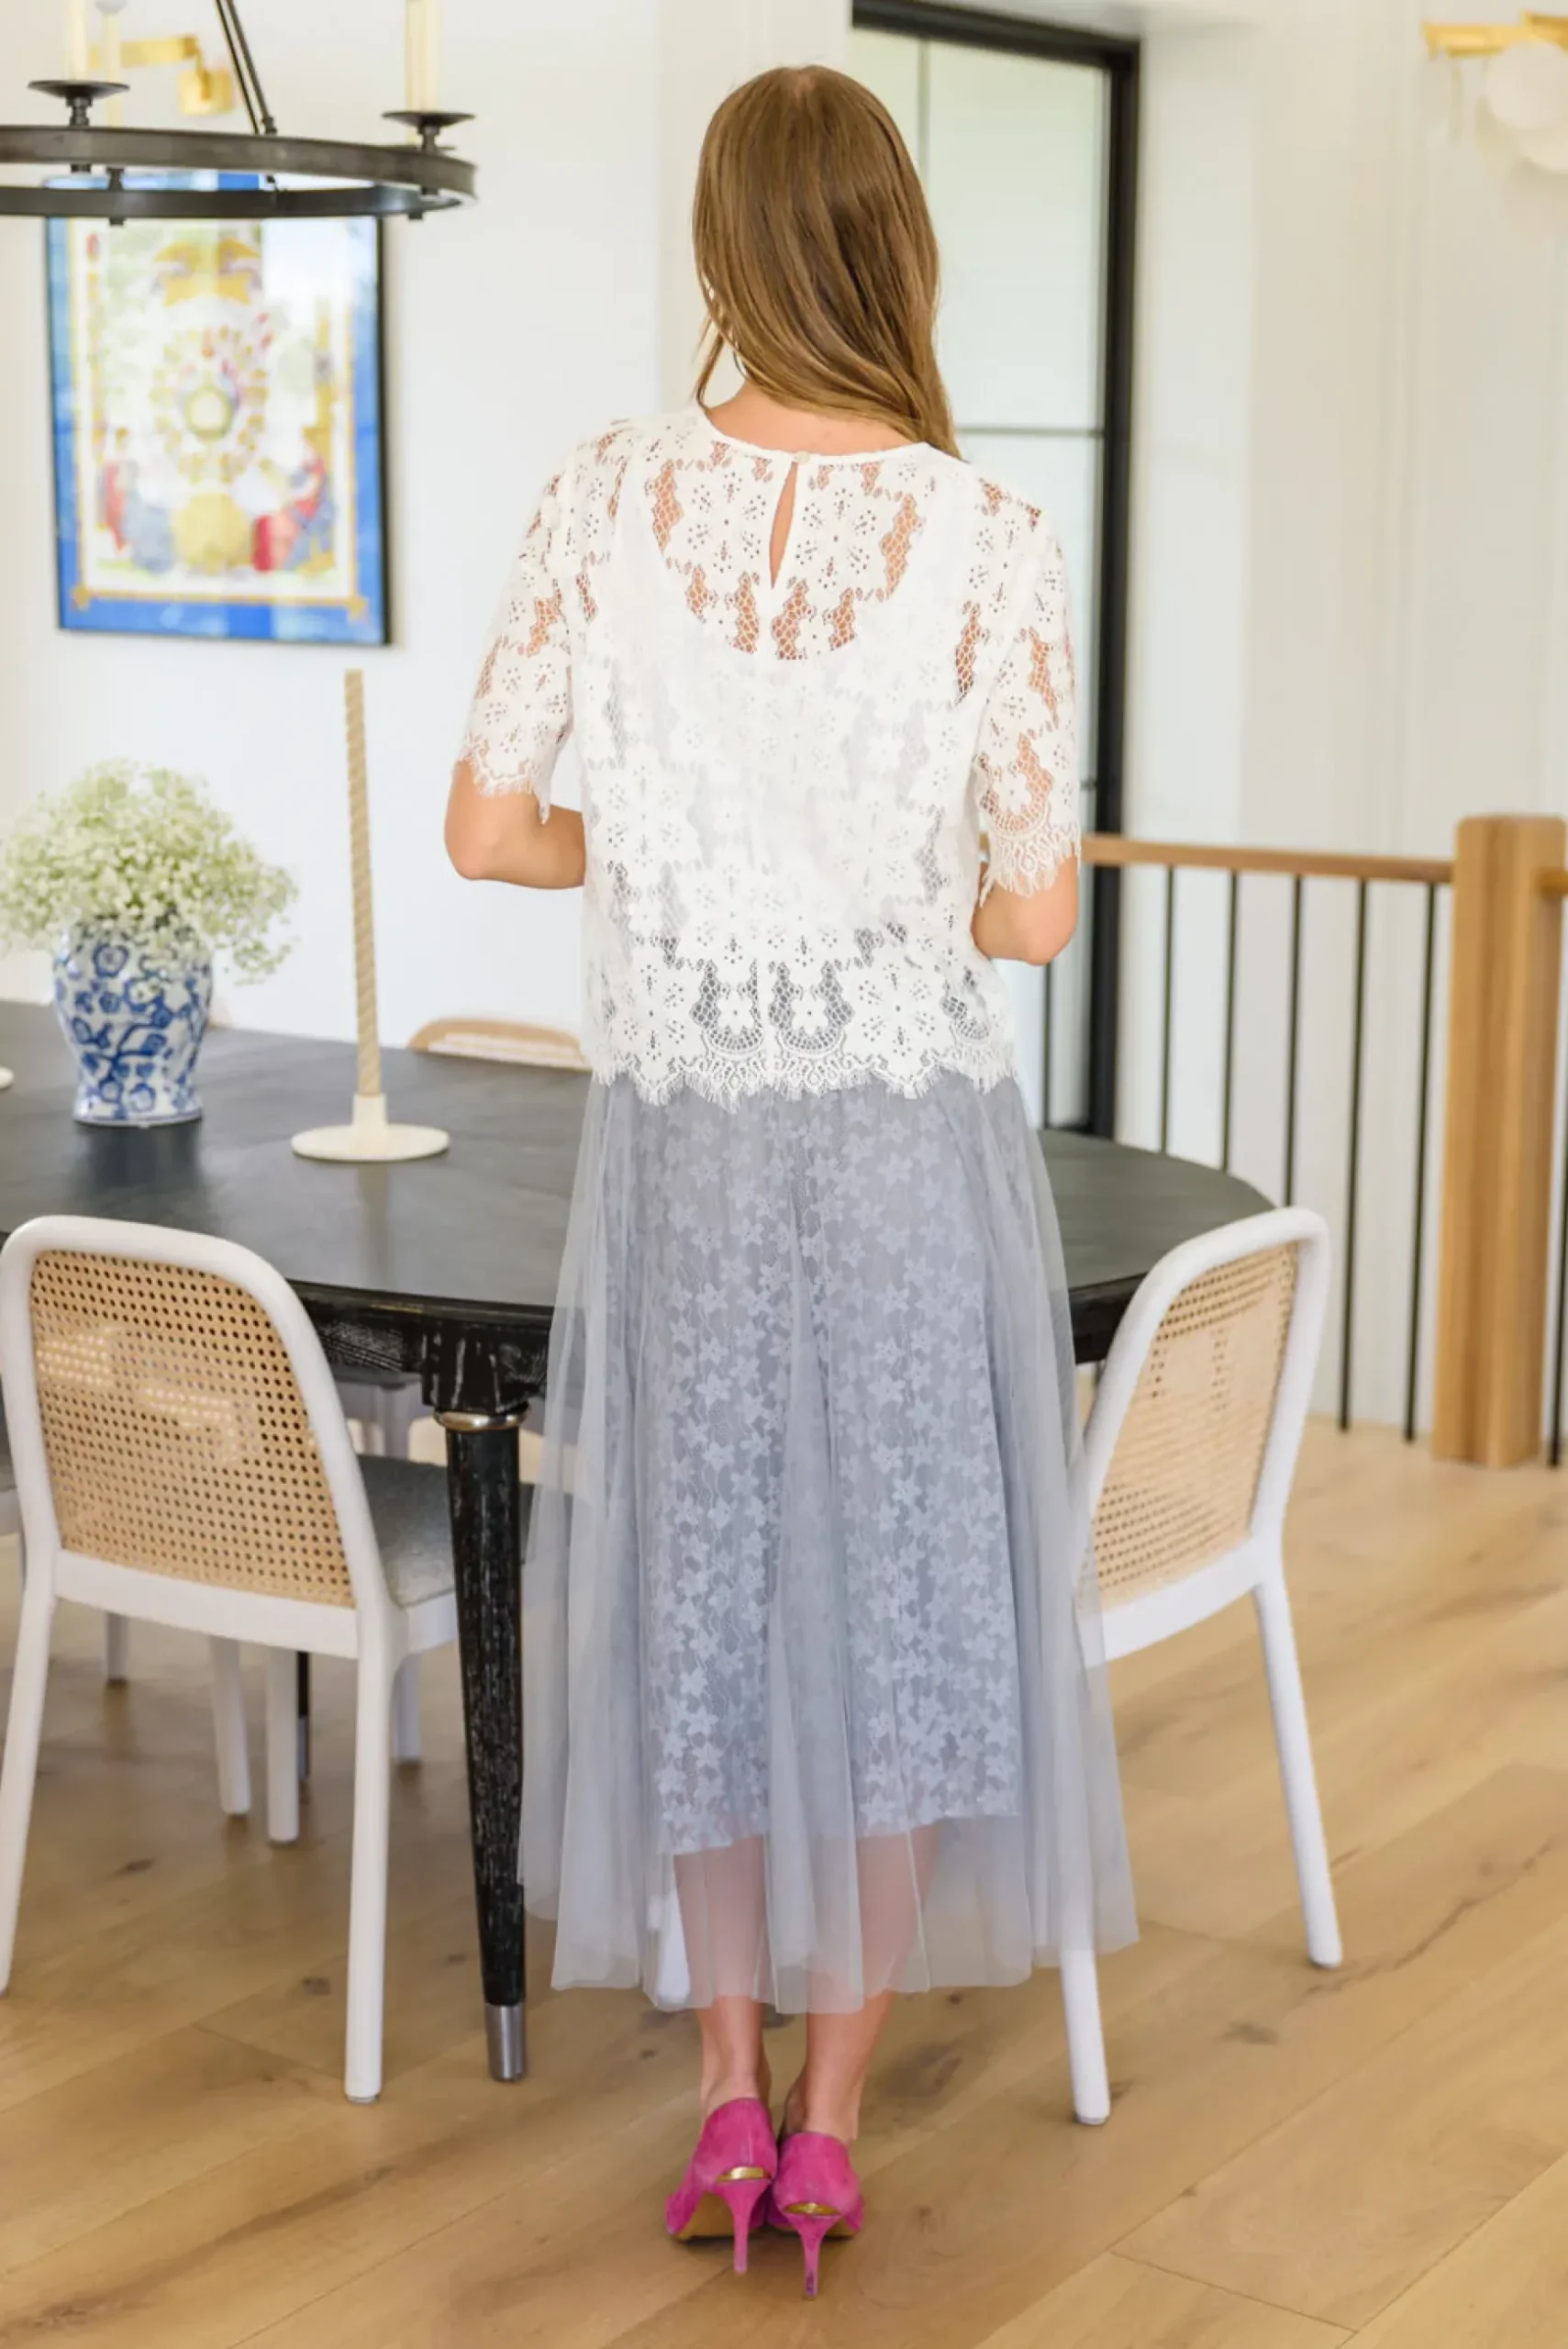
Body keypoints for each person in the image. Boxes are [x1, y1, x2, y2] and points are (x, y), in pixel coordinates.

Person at [445, 61, 1136, 2300]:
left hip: (689, 1152)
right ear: (897, 249)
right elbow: (1028, 913)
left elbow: (487, 827)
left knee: (702, 1598)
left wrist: (655, 850)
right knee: (912, 1608)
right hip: (904, 1145)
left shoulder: (599, 492)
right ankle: (832, 2126)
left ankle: (721, 2092)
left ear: (721, 250)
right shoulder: (990, 534)